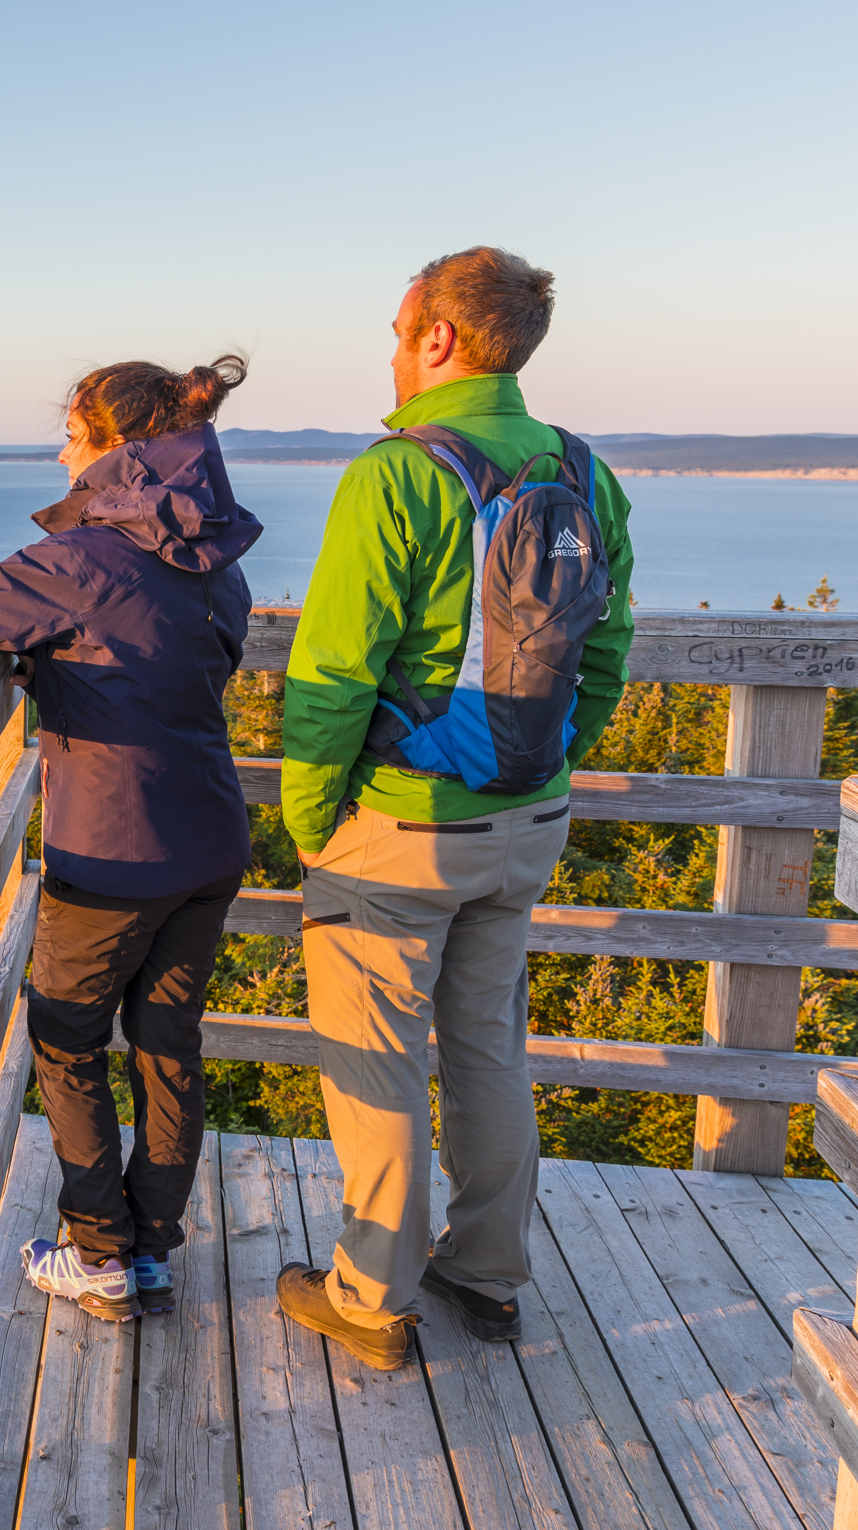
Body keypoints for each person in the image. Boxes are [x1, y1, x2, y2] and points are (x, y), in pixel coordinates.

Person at [272, 248, 636, 1369]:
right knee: (486, 1045)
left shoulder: (399, 474)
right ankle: (485, 1273)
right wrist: (549, 761)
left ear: (438, 338)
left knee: (378, 1060)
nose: (389, 350)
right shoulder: (584, 472)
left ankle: (372, 1301)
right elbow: (608, 650)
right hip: (528, 819)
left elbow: (333, 669)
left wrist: (309, 817)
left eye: (396, 328)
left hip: (401, 826)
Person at [0, 356, 261, 1323]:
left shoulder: (86, 561)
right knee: (166, 1045)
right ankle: (150, 1248)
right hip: (210, 839)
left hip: (111, 854)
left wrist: (36, 648)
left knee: (66, 1039)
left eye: (71, 433)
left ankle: (97, 1251)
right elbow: (186, 654)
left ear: (113, 447)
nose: (60, 451)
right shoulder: (212, 554)